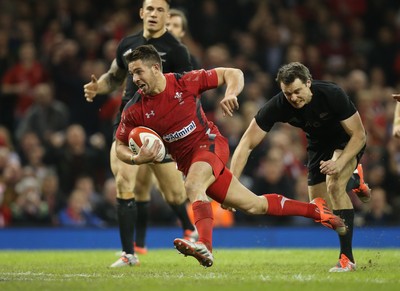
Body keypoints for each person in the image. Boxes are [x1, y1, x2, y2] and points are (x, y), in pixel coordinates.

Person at [114, 44, 347, 268]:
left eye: (138, 71)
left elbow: (232, 73)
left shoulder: (185, 82)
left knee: (193, 186)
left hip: (209, 144)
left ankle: (205, 245)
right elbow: (120, 147)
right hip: (187, 162)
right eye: (132, 73)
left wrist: (231, 93)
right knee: (255, 205)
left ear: (156, 68)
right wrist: (137, 159)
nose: (134, 79)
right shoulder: (134, 110)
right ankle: (316, 212)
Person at [83, 0, 197, 267]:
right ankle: (129, 253)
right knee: (124, 181)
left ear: (167, 16)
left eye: (160, 10)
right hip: (128, 122)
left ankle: (190, 228)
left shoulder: (177, 51)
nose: (154, 14)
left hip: (163, 130)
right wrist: (96, 88)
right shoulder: (127, 43)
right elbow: (114, 76)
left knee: (174, 195)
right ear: (141, 13)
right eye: (150, 9)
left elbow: (189, 91)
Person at [230, 62, 369, 272]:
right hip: (317, 147)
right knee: (320, 209)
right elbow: (246, 143)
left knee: (334, 185)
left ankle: (347, 259)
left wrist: (339, 163)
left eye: (297, 91)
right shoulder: (278, 105)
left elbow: (359, 135)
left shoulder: (332, 94)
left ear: (309, 83)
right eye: (288, 94)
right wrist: (231, 183)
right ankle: (354, 179)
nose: (293, 98)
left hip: (346, 142)